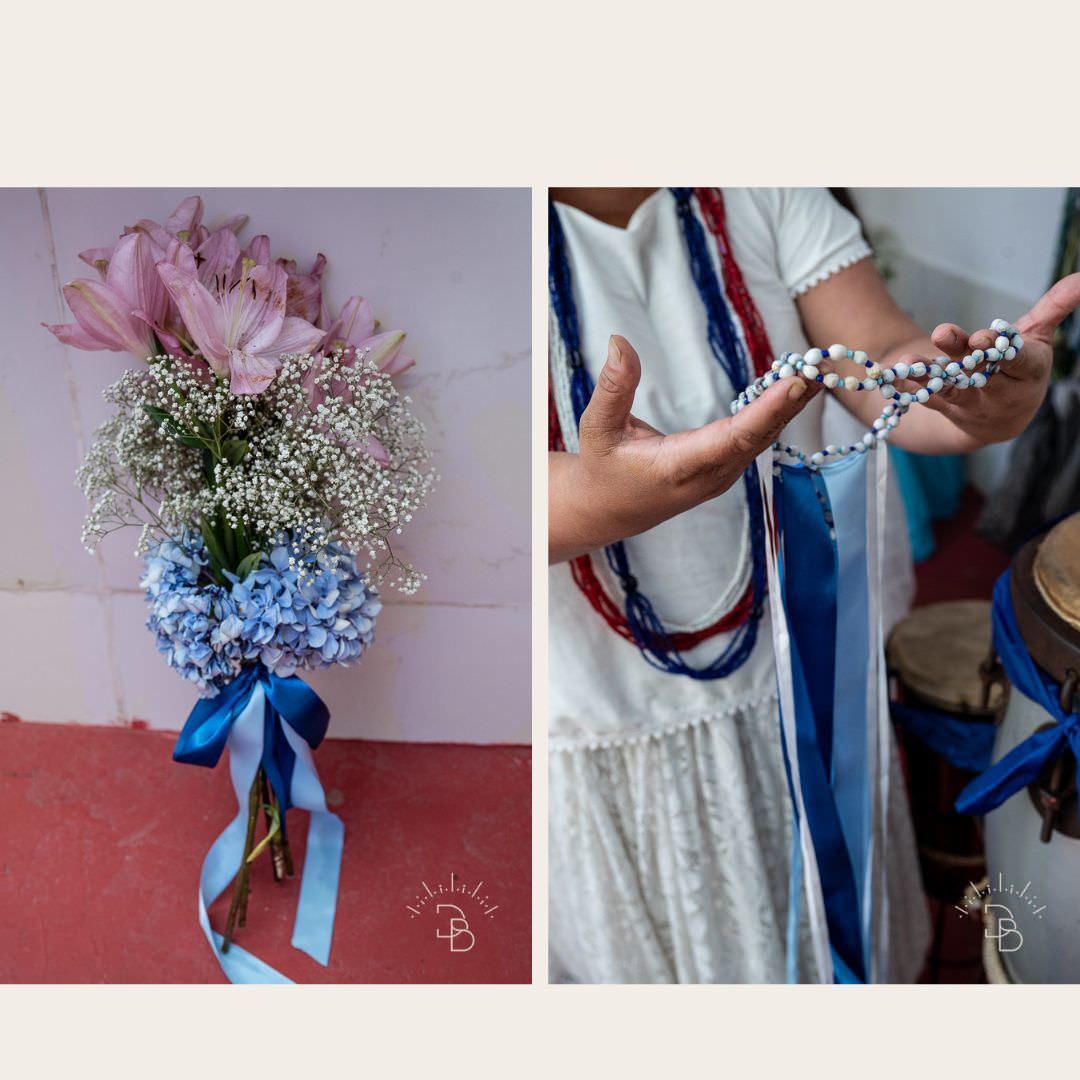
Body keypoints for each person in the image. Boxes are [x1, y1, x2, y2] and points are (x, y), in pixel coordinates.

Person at [547, 186, 1080, 983]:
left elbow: (883, 355)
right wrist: (600, 497)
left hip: (799, 667)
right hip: (606, 698)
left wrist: (976, 403)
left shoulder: (759, 190)